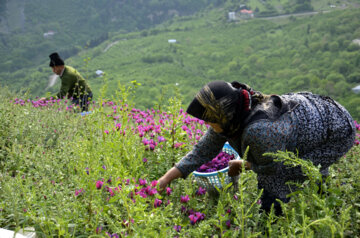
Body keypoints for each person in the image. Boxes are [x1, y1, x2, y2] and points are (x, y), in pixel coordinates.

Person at [158, 80, 355, 215]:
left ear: (223, 115)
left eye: (210, 120)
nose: (207, 125)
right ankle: (320, 186)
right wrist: (166, 179)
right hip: (309, 121)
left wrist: (246, 164)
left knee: (283, 176)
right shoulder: (232, 116)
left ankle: (277, 218)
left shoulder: (259, 131)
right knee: (297, 158)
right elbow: (202, 150)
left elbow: (274, 166)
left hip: (334, 131)